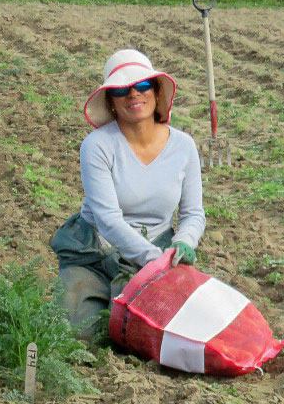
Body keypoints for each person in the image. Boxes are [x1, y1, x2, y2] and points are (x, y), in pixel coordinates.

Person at [51, 48, 205, 337]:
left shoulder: (184, 146)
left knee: (164, 334)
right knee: (80, 335)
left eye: (143, 85)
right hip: (97, 251)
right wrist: (153, 260)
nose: (134, 94)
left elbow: (193, 213)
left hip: (158, 248)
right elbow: (108, 219)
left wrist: (184, 242)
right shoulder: (97, 146)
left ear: (156, 92)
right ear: (111, 101)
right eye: (122, 90)